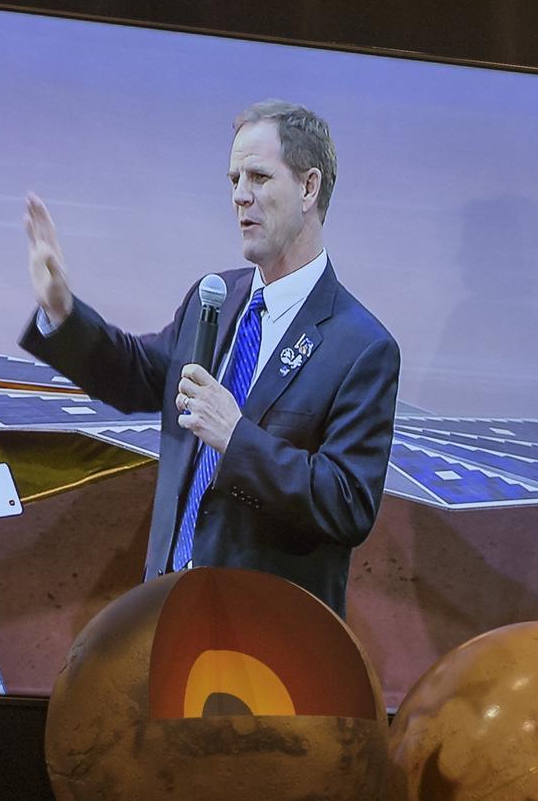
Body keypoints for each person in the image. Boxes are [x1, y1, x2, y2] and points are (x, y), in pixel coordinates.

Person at [20, 100, 399, 617]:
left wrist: (236, 436)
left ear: (309, 188)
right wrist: (62, 312)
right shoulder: (214, 299)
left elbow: (347, 503)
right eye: (234, 179)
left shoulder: (362, 347)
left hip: (265, 640)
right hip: (168, 614)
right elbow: (138, 375)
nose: (241, 196)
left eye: (260, 177)